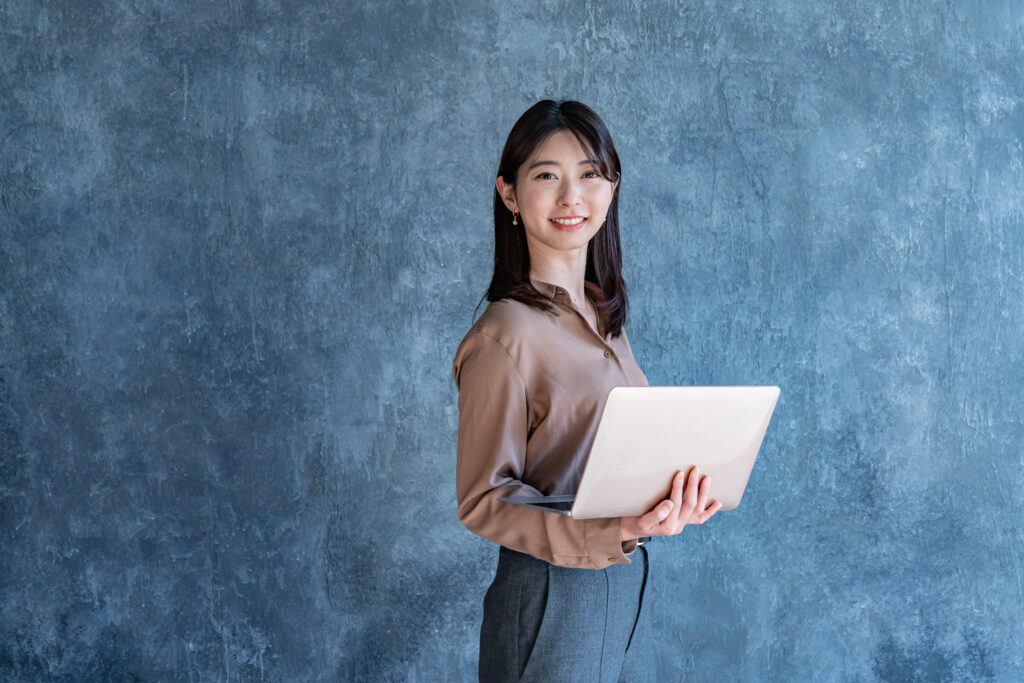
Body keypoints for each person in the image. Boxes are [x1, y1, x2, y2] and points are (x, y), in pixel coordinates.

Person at [452, 100, 723, 683]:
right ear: (508, 194)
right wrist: (616, 529)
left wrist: (675, 497)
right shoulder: (504, 335)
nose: (572, 196)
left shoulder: (605, 317)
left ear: (613, 186)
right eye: (547, 175)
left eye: (590, 174)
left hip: (626, 591)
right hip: (552, 598)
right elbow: (482, 500)